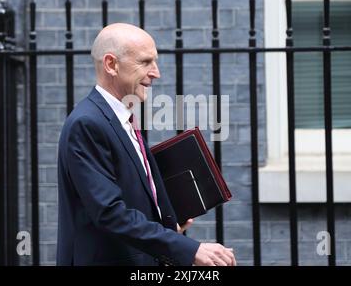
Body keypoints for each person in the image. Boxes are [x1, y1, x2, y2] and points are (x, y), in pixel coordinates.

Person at [56, 23, 236, 266]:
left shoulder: (124, 119)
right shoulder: (87, 124)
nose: (156, 72)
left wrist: (167, 225)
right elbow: (109, 213)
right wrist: (188, 249)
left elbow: (132, 194)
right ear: (111, 64)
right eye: (145, 62)